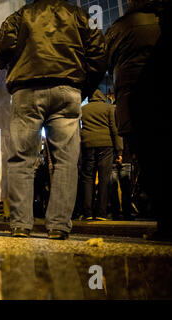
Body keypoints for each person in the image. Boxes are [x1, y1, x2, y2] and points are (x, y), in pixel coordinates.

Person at [0, 0, 106, 239]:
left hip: (27, 90)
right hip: (67, 88)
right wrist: (82, 87)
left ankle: (21, 224)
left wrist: (7, 63)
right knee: (66, 160)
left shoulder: (20, 16)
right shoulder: (81, 16)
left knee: (21, 159)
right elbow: (99, 52)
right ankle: (58, 225)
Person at [106, 0, 170, 240]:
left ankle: (165, 223)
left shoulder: (119, 28)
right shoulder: (159, 21)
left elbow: (107, 60)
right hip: (159, 95)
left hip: (133, 100)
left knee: (150, 163)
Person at [80, 89, 123, 221]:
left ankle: (87, 213)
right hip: (106, 145)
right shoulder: (109, 108)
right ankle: (101, 213)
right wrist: (119, 151)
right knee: (104, 178)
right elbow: (115, 129)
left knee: (88, 178)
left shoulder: (83, 109)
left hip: (87, 145)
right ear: (102, 97)